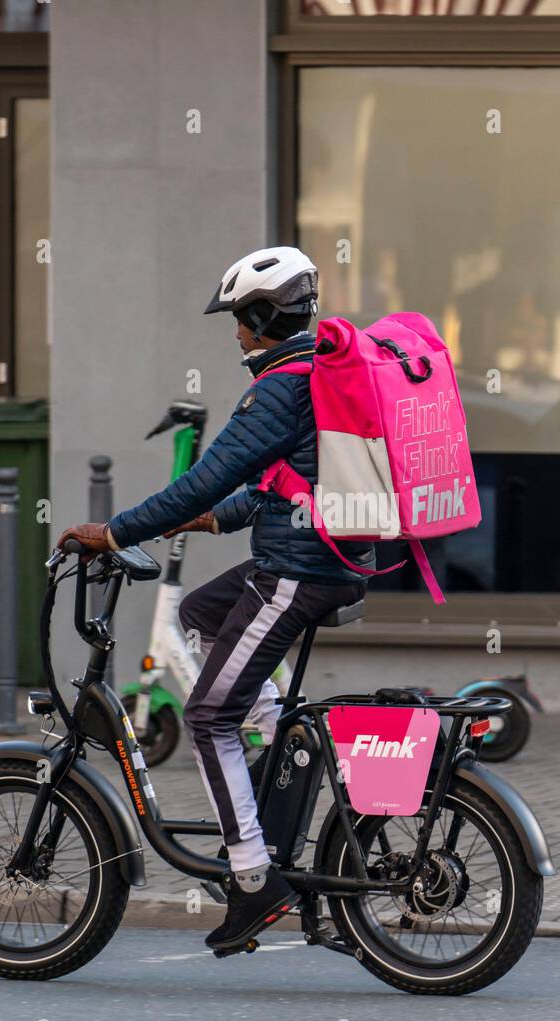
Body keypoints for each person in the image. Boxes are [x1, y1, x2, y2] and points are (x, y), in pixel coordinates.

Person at [56, 247, 372, 952]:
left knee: (205, 716)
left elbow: (207, 476)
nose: (234, 333)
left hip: (299, 571)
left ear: (262, 316)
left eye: (238, 318)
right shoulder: (316, 374)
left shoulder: (279, 387)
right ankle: (276, 735)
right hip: (326, 562)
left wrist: (113, 532)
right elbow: (276, 485)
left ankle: (254, 879)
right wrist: (210, 520)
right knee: (199, 611)